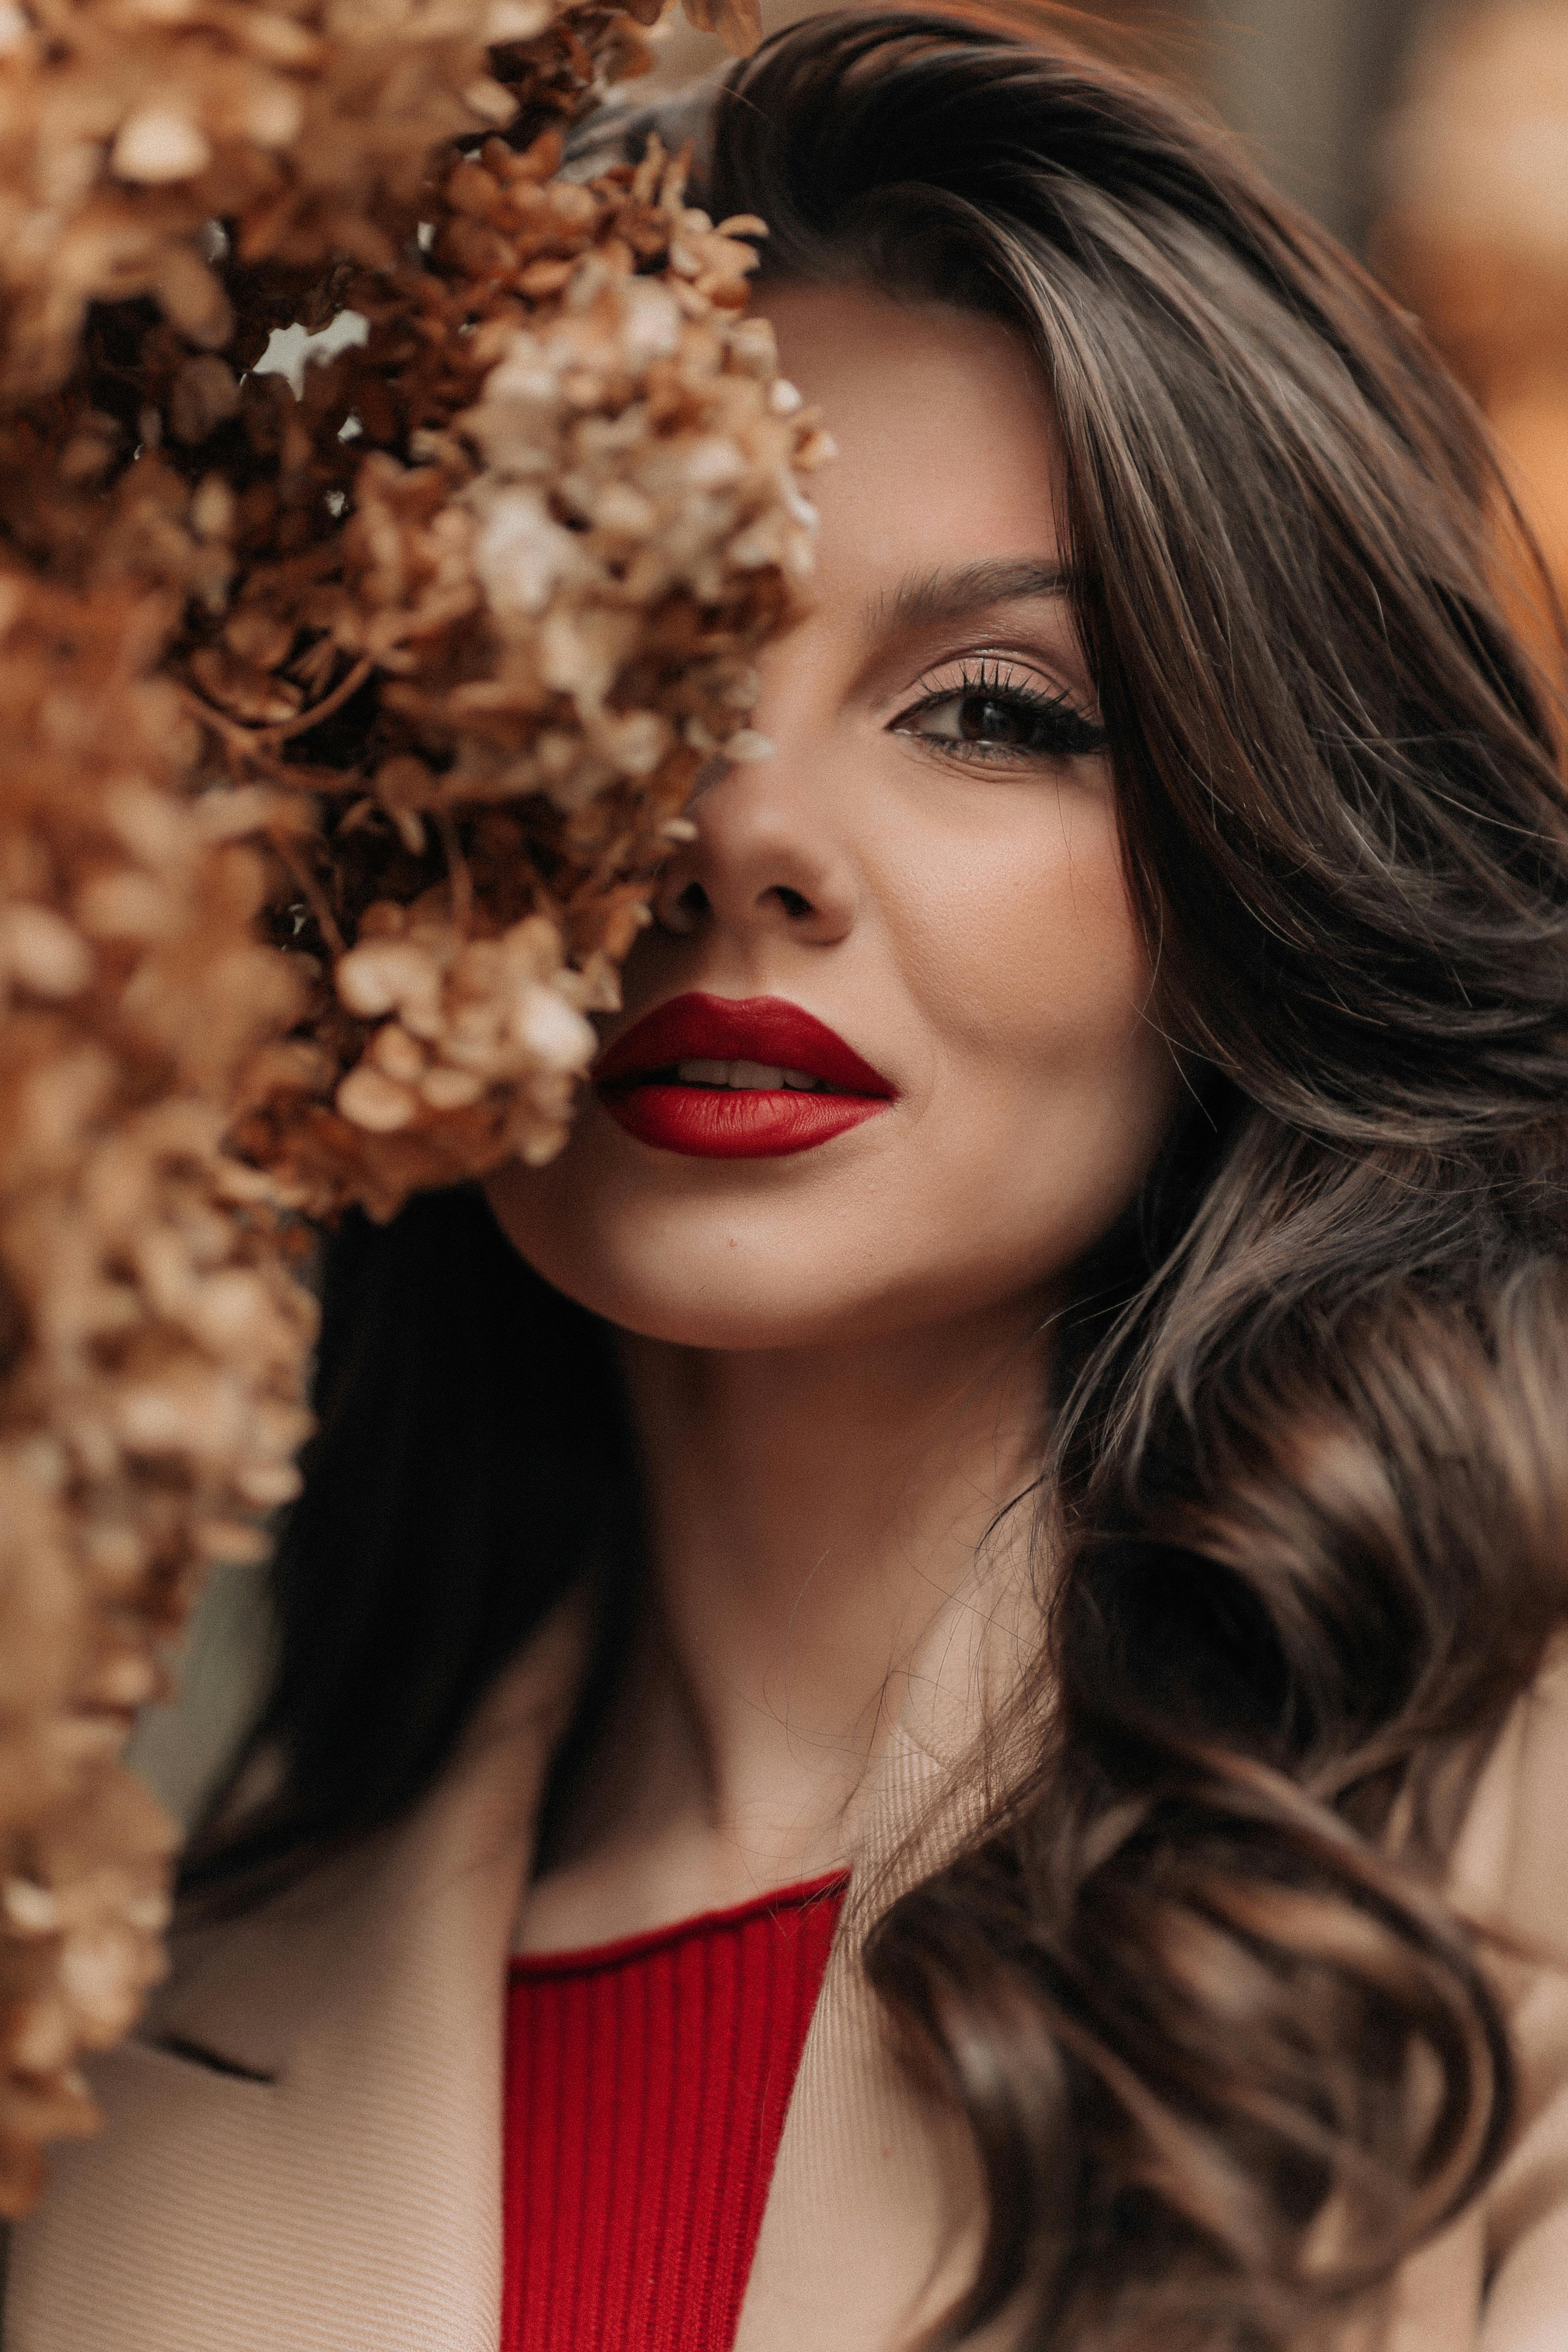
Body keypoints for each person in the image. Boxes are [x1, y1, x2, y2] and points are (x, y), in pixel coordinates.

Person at [9, 10, 1568, 2348]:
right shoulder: (128, 2054)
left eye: (995, 713)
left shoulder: (1508, 1883)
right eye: (623, 683)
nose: (740, 836)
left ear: (1268, 858)